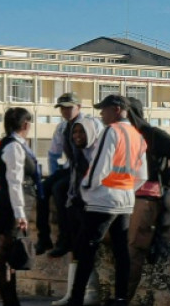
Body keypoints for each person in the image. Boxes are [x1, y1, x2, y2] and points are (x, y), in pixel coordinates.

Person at [65, 95, 147, 306]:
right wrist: (127, 189)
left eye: (104, 110)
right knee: (121, 251)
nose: (101, 114)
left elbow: (100, 165)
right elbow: (142, 175)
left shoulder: (112, 131)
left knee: (87, 249)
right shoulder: (137, 136)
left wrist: (85, 188)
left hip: (103, 199)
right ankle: (120, 297)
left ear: (117, 109)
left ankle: (76, 298)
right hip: (126, 200)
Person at [124, 97, 170, 303]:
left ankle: (122, 299)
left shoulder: (151, 135)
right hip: (125, 198)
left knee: (133, 249)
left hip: (145, 199)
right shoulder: (121, 136)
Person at [52, 116, 103, 306]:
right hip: (76, 203)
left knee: (85, 248)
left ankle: (89, 292)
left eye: (81, 131)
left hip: (91, 206)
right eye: (75, 132)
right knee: (76, 247)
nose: (77, 135)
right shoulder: (77, 151)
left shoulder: (96, 153)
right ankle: (73, 292)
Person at [0, 107, 37, 306]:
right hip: (10, 205)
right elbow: (14, 181)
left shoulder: (14, 144)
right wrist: (20, 213)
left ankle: (10, 299)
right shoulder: (13, 147)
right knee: (5, 253)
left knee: (7, 253)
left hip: (13, 202)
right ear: (25, 125)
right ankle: (9, 300)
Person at [38, 92, 84, 257]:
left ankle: (65, 240)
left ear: (79, 107)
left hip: (82, 170)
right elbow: (53, 154)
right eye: (62, 109)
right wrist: (53, 175)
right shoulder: (62, 127)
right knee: (43, 189)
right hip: (69, 167)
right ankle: (43, 237)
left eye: (69, 108)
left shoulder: (86, 125)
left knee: (60, 190)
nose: (65, 112)